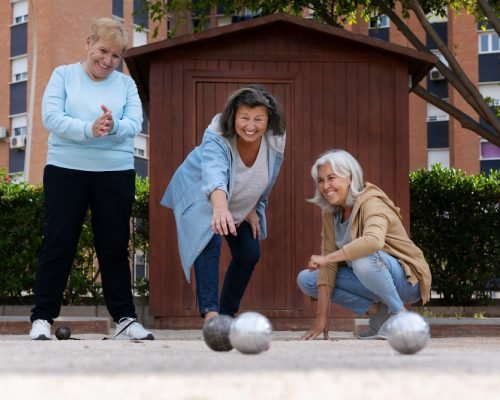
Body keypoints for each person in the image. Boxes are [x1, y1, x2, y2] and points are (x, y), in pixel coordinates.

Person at [29, 18, 153, 340]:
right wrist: (89, 129)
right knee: (58, 242)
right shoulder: (63, 76)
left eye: (115, 55)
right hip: (65, 169)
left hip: (114, 171)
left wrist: (112, 127)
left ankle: (125, 319)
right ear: (88, 43)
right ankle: (41, 318)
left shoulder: (125, 84)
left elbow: (135, 122)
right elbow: (52, 118)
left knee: (113, 247)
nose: (108, 61)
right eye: (102, 50)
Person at [161, 86, 286, 321]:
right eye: (244, 118)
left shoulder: (276, 138)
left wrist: (251, 206)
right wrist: (219, 208)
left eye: (258, 119)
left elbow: (264, 174)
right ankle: (211, 315)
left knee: (249, 253)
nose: (251, 126)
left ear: (269, 121)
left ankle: (226, 316)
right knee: (208, 242)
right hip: (203, 193)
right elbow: (213, 172)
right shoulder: (217, 133)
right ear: (234, 117)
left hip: (237, 199)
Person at [297, 149, 431, 340]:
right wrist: (321, 319)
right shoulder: (330, 213)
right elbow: (328, 269)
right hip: (369, 275)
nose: (326, 186)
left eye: (331, 178)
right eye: (320, 180)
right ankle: (378, 313)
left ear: (350, 178)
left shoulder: (372, 201)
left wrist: (328, 258)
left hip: (407, 281)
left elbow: (373, 241)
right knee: (307, 280)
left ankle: (400, 315)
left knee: (362, 256)